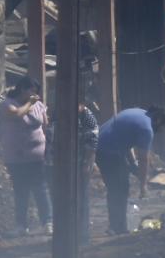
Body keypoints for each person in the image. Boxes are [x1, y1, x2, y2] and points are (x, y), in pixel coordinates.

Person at [95, 106, 165, 235]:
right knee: (120, 188)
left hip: (100, 146)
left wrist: (133, 162)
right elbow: (144, 159)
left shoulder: (139, 113)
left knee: (117, 187)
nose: (162, 130)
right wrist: (143, 184)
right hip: (108, 151)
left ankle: (117, 225)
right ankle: (117, 227)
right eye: (163, 127)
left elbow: (126, 140)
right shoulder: (147, 129)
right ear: (159, 120)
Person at [0, 77, 52, 237]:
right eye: (32, 91)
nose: (35, 95)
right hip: (16, 158)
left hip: (37, 157)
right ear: (22, 90)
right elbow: (16, 115)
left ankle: (48, 222)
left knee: (40, 189)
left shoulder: (39, 105)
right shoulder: (8, 104)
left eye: (36, 92)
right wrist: (29, 103)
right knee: (21, 191)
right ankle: (21, 225)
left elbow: (45, 125)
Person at [78, 97, 99, 243]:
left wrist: (85, 163)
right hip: (68, 163)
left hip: (81, 163)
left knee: (81, 197)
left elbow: (92, 143)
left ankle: (83, 234)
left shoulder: (87, 116)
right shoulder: (65, 113)